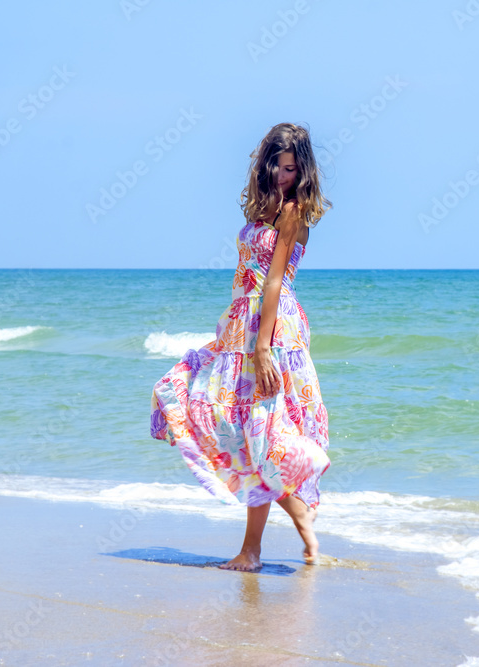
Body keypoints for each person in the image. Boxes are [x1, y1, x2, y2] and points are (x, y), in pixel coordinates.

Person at [149, 122, 332, 571]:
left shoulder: (292, 212)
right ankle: (295, 515)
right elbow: (246, 277)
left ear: (302, 170)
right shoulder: (261, 211)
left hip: (273, 329)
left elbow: (273, 282)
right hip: (243, 325)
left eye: (290, 169)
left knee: (260, 431)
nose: (281, 176)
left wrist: (264, 347)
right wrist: (233, 327)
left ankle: (253, 549)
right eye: (275, 166)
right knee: (202, 402)